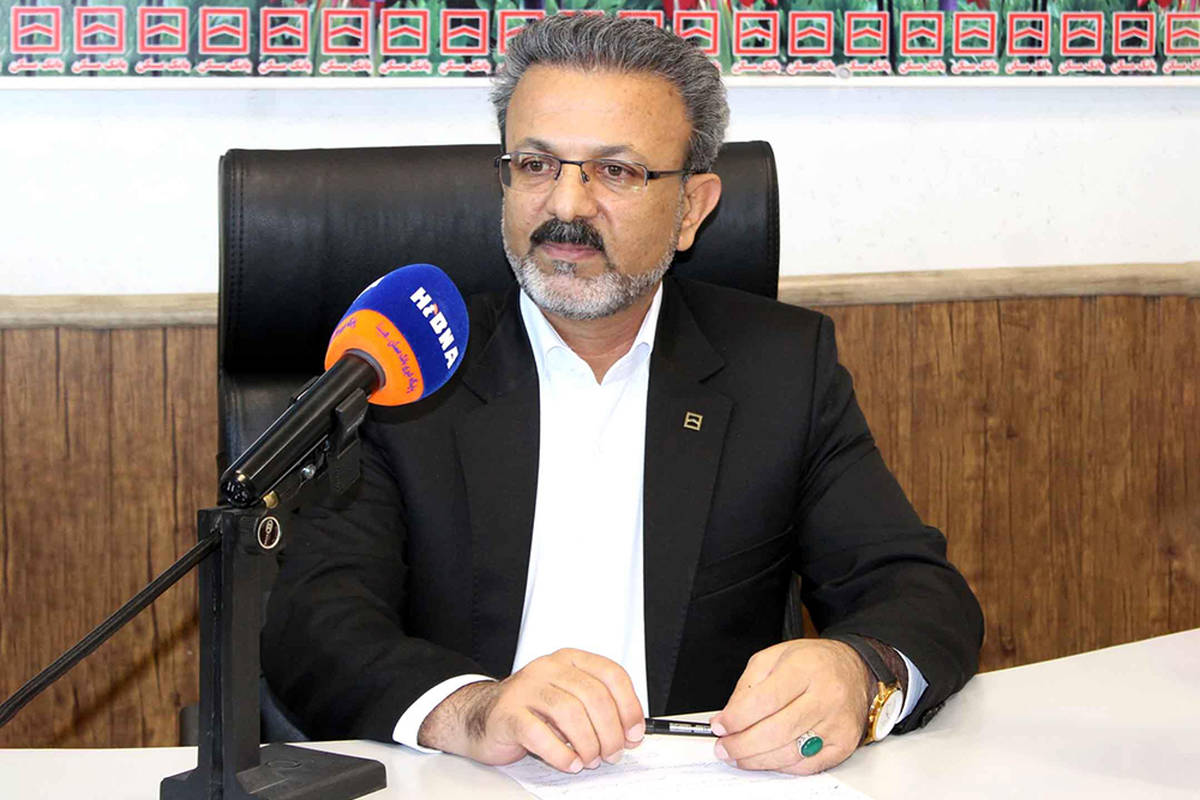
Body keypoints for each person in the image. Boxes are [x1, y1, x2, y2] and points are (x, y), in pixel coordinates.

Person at [262, 14, 983, 778]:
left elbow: (917, 591)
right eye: (536, 164)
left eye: (615, 171)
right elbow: (313, 625)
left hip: (707, 782)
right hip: (466, 781)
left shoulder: (780, 369)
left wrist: (860, 674)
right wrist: (471, 709)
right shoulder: (409, 368)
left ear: (692, 209)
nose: (566, 206)